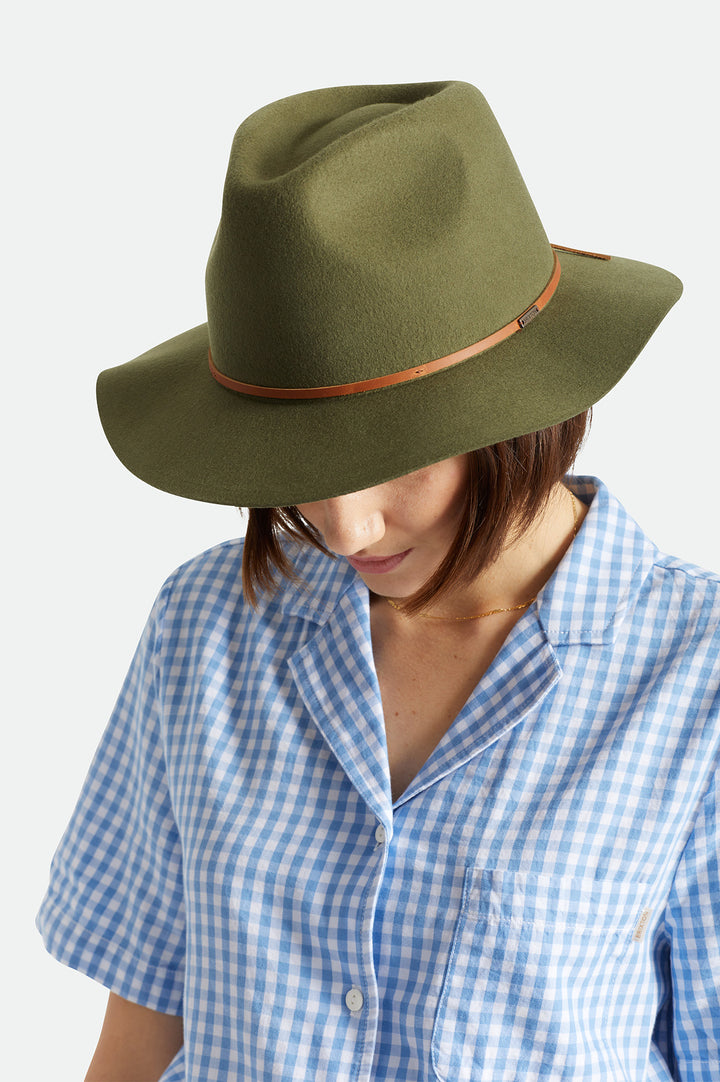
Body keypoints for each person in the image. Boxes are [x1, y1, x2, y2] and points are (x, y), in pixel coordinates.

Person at [36, 81, 720, 1082]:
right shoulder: (206, 626)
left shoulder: (697, 677)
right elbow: (139, 1043)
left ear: (519, 406)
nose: (345, 525)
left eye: (397, 453)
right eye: (302, 460)